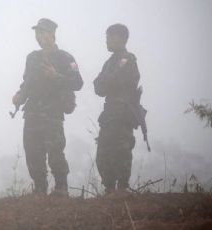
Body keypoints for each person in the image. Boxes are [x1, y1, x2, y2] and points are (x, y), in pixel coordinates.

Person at [12, 18, 83, 196]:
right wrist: (20, 95)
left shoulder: (65, 58)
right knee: (32, 152)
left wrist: (56, 76)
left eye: (42, 32)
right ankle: (40, 189)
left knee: (55, 151)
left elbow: (78, 83)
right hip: (32, 112)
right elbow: (26, 82)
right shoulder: (32, 57)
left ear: (52, 34)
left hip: (53, 112)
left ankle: (61, 189)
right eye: (37, 33)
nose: (38, 36)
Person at [93, 24, 140, 194]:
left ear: (121, 38)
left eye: (110, 37)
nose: (107, 41)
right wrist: (109, 81)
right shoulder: (110, 62)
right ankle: (109, 189)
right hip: (110, 113)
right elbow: (98, 87)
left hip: (123, 112)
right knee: (103, 153)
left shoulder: (128, 59)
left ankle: (121, 189)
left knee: (121, 150)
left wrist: (109, 82)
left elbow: (117, 81)